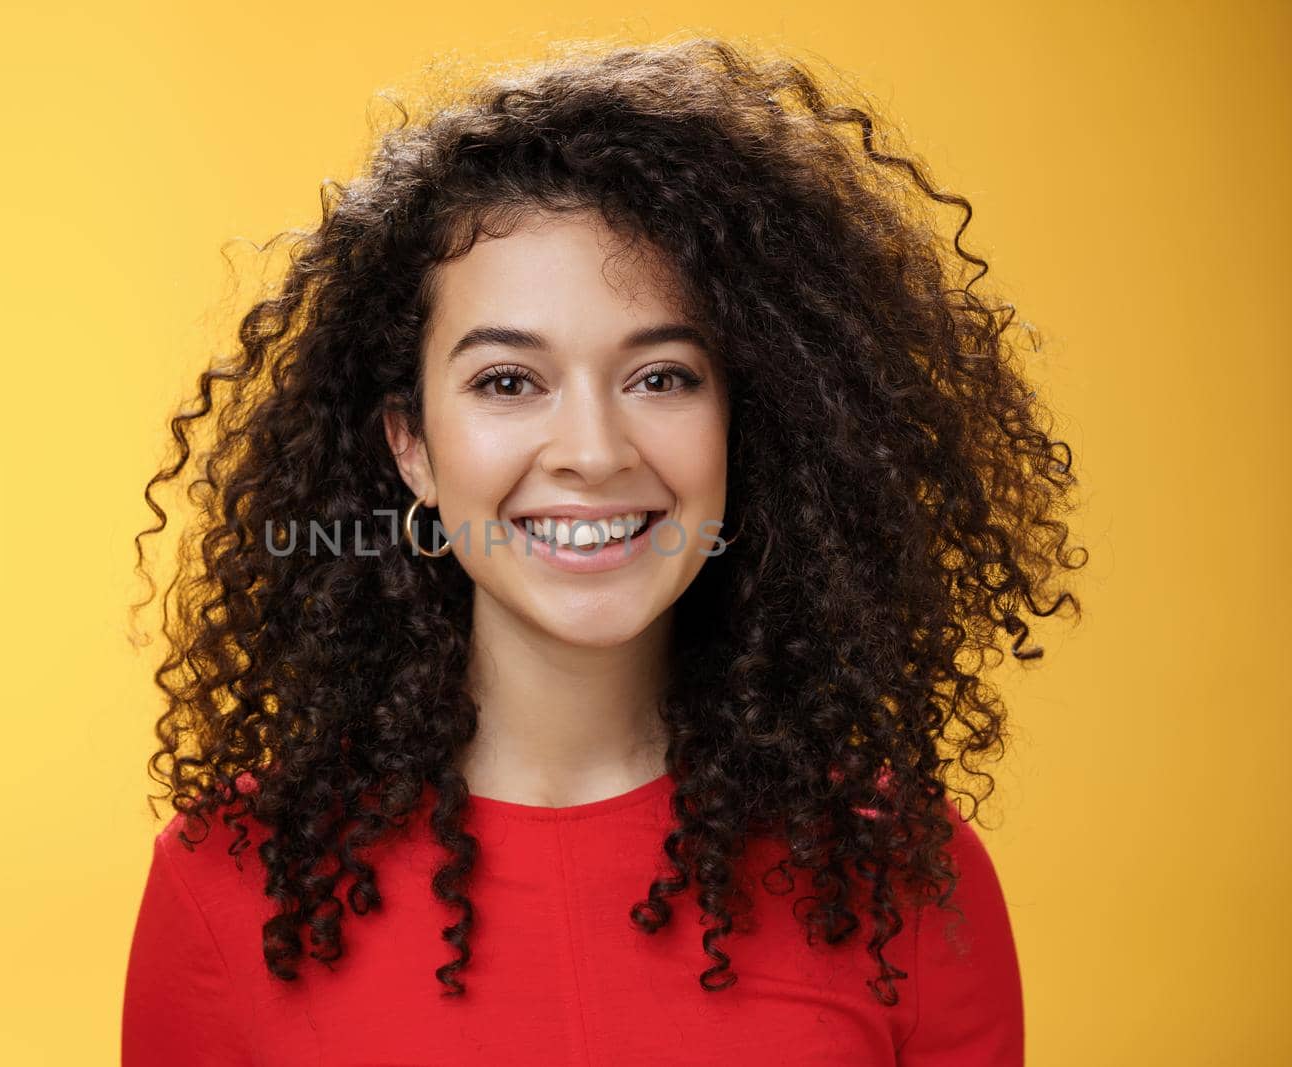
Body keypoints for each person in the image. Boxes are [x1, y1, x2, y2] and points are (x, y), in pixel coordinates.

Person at [121, 34, 1086, 1066]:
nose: (590, 452)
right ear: (412, 448)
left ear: (747, 421)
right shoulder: (227, 885)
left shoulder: (901, 876)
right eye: (507, 381)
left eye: (660, 376)